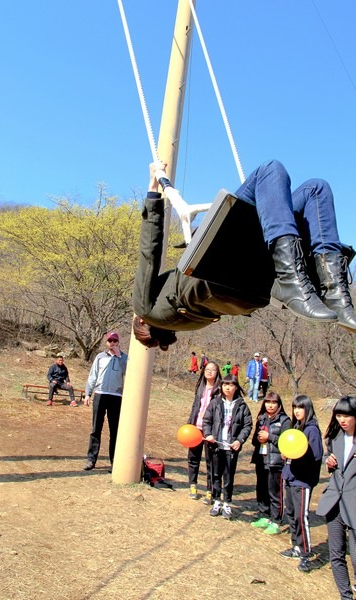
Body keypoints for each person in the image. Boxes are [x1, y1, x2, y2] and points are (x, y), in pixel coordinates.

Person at [132, 160, 356, 351]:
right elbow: (149, 255)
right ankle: (312, 286)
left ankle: (336, 297)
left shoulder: (191, 323)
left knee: (314, 190)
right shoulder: (147, 311)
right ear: (142, 321)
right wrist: (153, 189)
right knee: (275, 172)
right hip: (218, 261)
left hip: (252, 284)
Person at [316, 396, 356, 600]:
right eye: (339, 415)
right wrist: (328, 461)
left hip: (354, 504)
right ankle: (345, 596)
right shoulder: (334, 437)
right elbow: (328, 459)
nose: (342, 420)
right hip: (334, 502)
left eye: (347, 415)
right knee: (336, 554)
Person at [280, 394, 323, 573]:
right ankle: (296, 546)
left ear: (308, 409)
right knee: (291, 514)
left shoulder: (312, 430)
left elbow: (316, 455)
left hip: (302, 481)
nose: (297, 411)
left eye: (301, 407)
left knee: (301, 516)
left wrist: (295, 456)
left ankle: (305, 554)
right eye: (295, 407)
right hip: (290, 476)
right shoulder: (296, 426)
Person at [203, 374, 252, 519]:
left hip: (231, 448)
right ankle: (217, 501)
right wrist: (209, 434)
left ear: (235, 387)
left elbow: (247, 425)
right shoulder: (215, 402)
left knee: (228, 477)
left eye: (230, 385)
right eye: (225, 385)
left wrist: (240, 440)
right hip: (216, 446)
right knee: (215, 475)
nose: (227, 388)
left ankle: (227, 503)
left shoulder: (242, 405)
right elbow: (207, 420)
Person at [82, 332, 128, 471]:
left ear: (118, 342)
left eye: (115, 341)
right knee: (96, 428)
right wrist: (88, 394)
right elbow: (93, 376)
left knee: (115, 430)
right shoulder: (100, 357)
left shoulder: (125, 358)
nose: (112, 343)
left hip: (116, 396)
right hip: (100, 394)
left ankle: (115, 461)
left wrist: (119, 356)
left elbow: (128, 372)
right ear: (106, 342)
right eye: (110, 341)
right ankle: (91, 460)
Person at [250, 391, 291, 534]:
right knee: (261, 489)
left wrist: (270, 437)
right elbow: (254, 441)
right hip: (261, 459)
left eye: (274, 403)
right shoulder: (261, 419)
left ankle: (276, 521)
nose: (270, 405)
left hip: (276, 461)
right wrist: (259, 439)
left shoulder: (285, 420)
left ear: (279, 405)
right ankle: (264, 515)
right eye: (268, 402)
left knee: (275, 492)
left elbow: (287, 442)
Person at [186, 361, 222, 503]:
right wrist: (190, 422)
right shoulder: (200, 386)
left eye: (213, 370)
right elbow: (196, 406)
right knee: (193, 458)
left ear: (217, 373)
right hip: (196, 428)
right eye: (207, 369)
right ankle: (193, 486)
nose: (209, 372)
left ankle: (210, 491)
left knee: (211, 462)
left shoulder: (220, 390)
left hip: (211, 430)